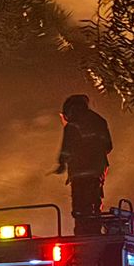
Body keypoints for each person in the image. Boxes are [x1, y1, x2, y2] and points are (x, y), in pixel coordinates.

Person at [52, 93, 112, 234]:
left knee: (80, 206)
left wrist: (61, 163)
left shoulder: (72, 125)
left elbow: (66, 149)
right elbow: (108, 146)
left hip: (79, 171)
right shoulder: (100, 121)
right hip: (97, 170)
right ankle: (94, 230)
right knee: (94, 202)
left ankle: (82, 232)